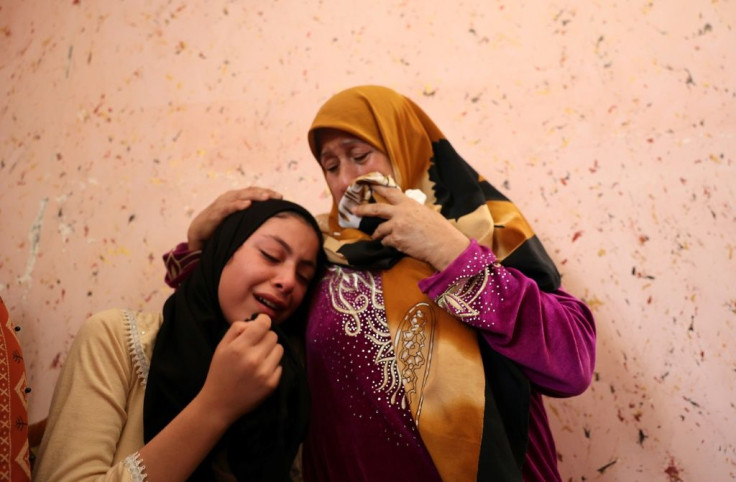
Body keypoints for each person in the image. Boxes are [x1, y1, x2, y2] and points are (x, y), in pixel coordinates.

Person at [164, 85, 596, 481]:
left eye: (359, 155)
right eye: (330, 166)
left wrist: (450, 251)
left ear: (403, 145)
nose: (345, 180)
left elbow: (572, 365)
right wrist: (201, 247)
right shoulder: (318, 253)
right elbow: (228, 318)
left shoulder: (485, 229)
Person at [34, 199, 325, 481]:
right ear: (222, 252)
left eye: (303, 275)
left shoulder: (288, 380)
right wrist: (217, 405)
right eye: (271, 255)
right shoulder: (114, 338)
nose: (288, 281)